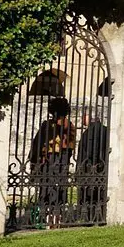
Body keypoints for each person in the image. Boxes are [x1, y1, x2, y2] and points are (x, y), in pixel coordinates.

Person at [29, 96, 75, 228]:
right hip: (61, 160)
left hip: (50, 160)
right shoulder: (69, 125)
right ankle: (56, 217)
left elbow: (37, 144)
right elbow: (71, 146)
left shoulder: (48, 125)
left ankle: (46, 217)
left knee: (47, 187)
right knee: (57, 187)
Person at [75, 111, 109, 223]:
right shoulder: (106, 130)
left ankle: (90, 217)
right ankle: (99, 215)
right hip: (102, 166)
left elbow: (91, 150)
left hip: (90, 167)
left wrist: (92, 164)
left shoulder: (89, 132)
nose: (82, 120)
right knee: (99, 193)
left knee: (90, 193)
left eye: (83, 117)